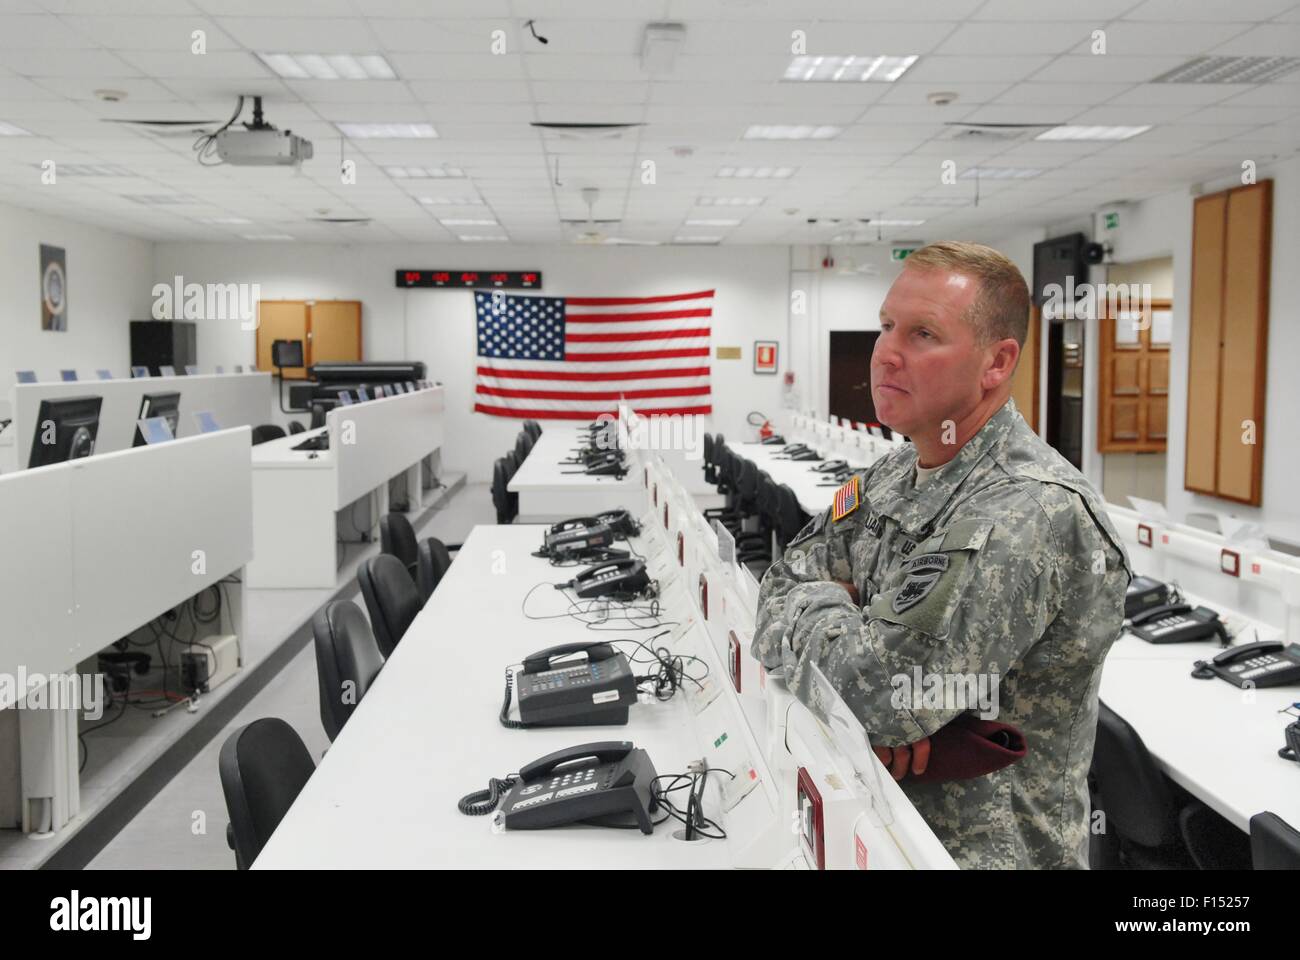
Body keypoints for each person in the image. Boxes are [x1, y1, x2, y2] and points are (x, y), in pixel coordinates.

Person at [753, 241, 1132, 869]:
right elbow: (779, 577)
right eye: (886, 326)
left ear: (996, 362)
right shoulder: (897, 472)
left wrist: (832, 621)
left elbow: (873, 695)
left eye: (924, 333)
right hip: (889, 830)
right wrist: (842, 623)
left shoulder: (1025, 511)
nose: (885, 352)